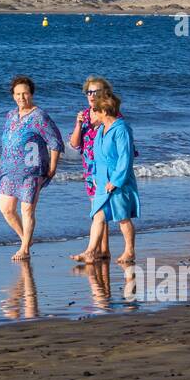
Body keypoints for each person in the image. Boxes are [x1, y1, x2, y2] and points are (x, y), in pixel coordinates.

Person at [0, 75, 63, 261]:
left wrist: (53, 166)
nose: (21, 97)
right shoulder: (10, 115)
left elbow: (55, 142)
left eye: (25, 93)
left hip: (31, 171)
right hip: (9, 170)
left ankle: (25, 249)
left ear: (31, 94)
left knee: (27, 210)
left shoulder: (39, 116)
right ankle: (26, 238)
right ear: (13, 95)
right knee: (6, 209)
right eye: (17, 94)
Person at [73, 88, 140, 265]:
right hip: (102, 181)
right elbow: (97, 157)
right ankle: (89, 251)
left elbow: (126, 158)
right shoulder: (101, 129)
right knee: (98, 216)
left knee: (122, 217)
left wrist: (116, 181)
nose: (91, 114)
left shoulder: (121, 129)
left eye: (95, 111)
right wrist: (95, 176)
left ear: (104, 111)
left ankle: (129, 251)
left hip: (119, 182)